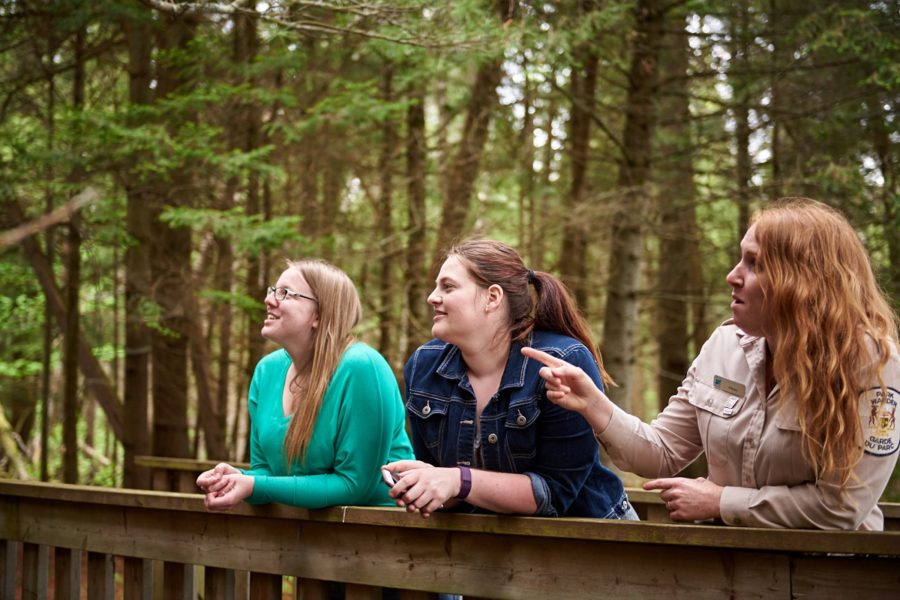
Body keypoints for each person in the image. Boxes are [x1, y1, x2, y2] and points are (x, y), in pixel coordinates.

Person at [523, 198, 899, 530]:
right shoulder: (725, 345)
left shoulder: (873, 364)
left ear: (802, 282)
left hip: (831, 577)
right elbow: (662, 452)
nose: (732, 276)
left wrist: (720, 502)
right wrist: (593, 404)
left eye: (755, 264)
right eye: (740, 258)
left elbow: (843, 507)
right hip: (729, 573)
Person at [383, 239, 636, 520]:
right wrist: (425, 486)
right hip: (486, 547)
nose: (432, 296)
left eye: (448, 287)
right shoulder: (424, 366)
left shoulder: (560, 362)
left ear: (492, 298)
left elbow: (553, 494)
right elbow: (447, 484)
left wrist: (457, 481)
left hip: (595, 544)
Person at [197, 259, 414, 510]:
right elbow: (265, 473)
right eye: (272, 290)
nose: (269, 300)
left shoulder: (362, 367)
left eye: (285, 293)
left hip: (380, 536)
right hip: (298, 539)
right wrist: (236, 479)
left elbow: (354, 485)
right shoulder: (267, 371)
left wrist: (255, 484)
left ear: (319, 315)